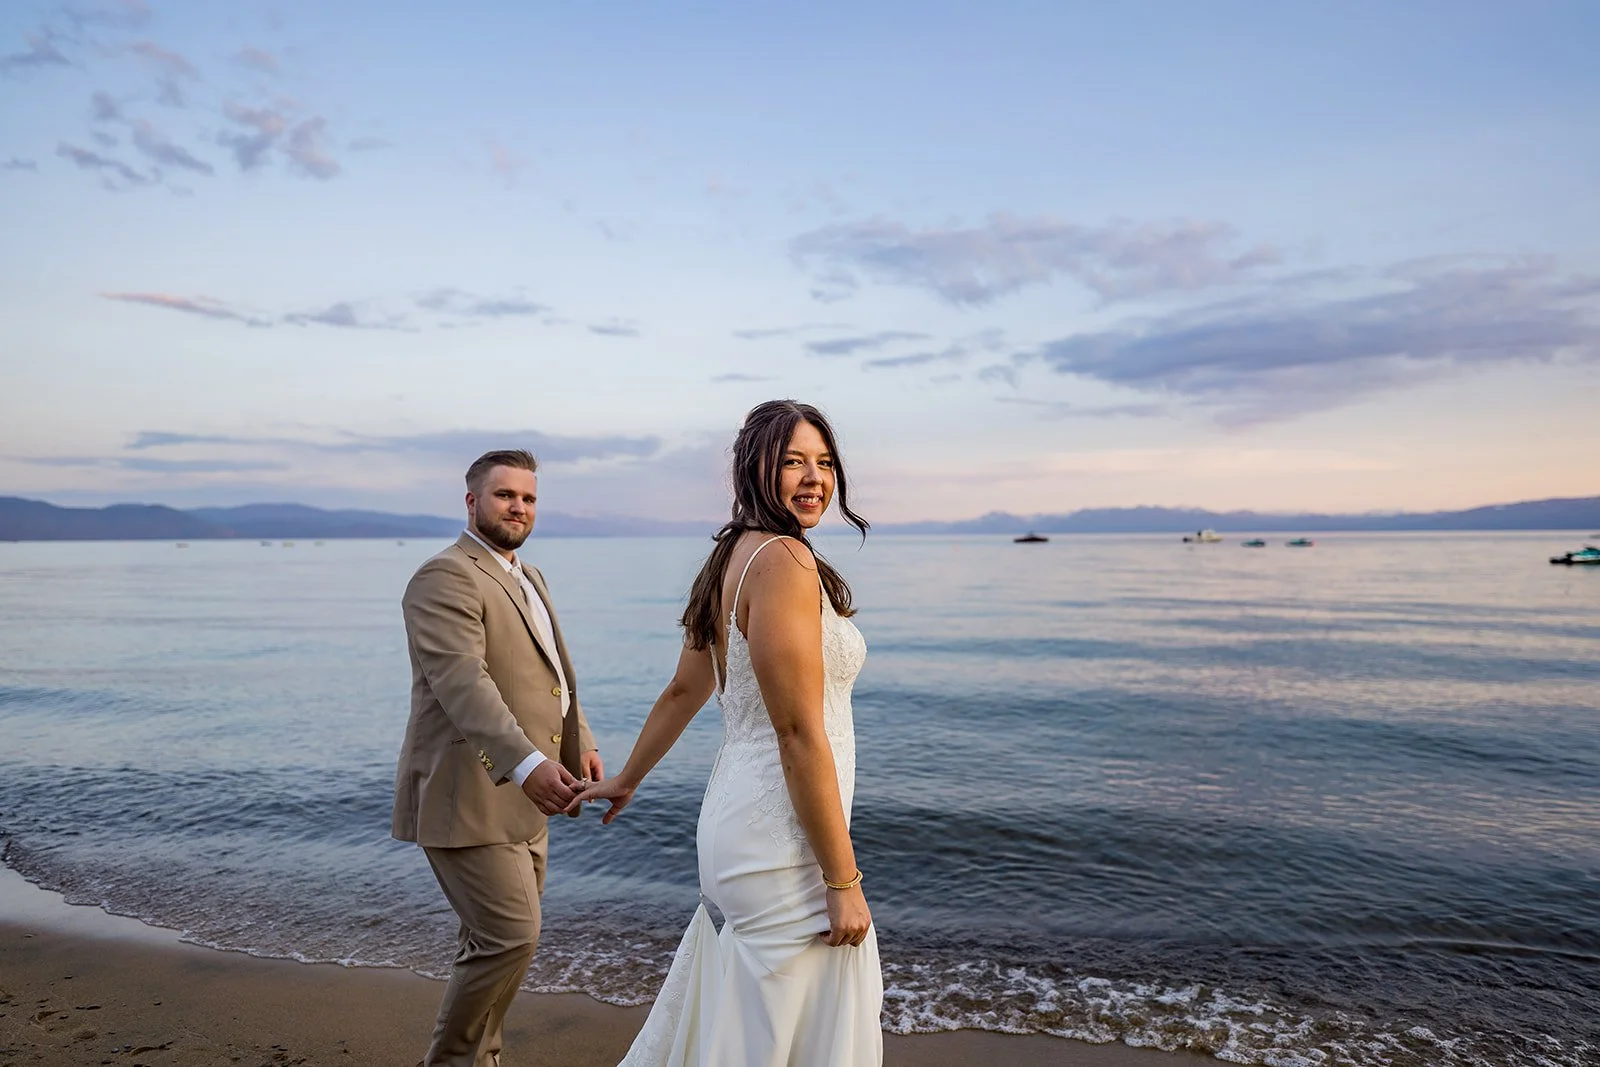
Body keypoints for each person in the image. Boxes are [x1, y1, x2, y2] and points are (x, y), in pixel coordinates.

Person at [577, 400, 883, 1066]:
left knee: (747, 1026)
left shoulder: (731, 557)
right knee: (784, 1036)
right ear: (754, 466)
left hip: (736, 823)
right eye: (794, 461)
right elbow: (799, 732)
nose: (814, 478)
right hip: (780, 840)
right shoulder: (784, 563)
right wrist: (843, 878)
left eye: (824, 462)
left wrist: (630, 775)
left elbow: (686, 688)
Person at [392, 448, 604, 1067]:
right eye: (505, 495)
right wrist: (530, 764)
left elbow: (555, 676)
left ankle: (482, 1059)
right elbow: (464, 683)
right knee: (511, 936)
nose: (519, 507)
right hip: (468, 794)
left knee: (493, 943)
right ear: (472, 501)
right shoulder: (445, 576)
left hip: (520, 799)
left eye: (529, 498)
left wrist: (579, 740)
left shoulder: (529, 577)